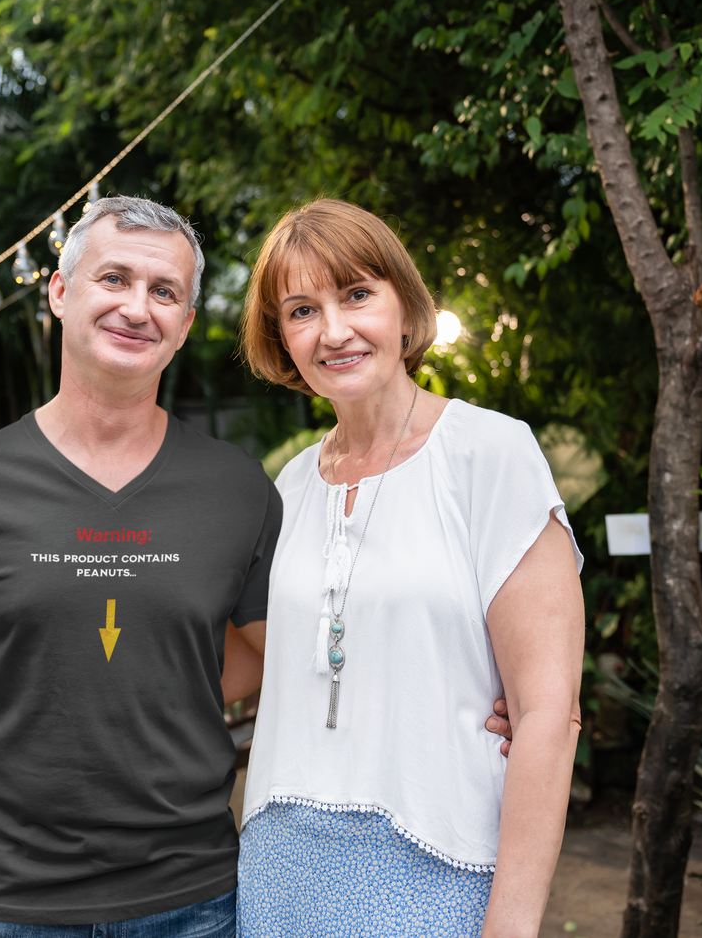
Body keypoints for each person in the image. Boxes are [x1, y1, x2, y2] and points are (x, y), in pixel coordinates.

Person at [0, 196, 517, 937]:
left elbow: (296, 652)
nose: (136, 307)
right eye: (112, 278)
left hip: (195, 903)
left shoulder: (240, 489)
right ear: (59, 291)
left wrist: (474, 689)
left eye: (164, 292)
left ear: (184, 325)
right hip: (6, 904)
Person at [234, 199, 584, 936]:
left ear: (402, 304)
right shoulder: (288, 487)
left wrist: (510, 928)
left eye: (356, 294)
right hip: (277, 868)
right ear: (282, 339)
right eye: (301, 310)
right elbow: (243, 663)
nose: (332, 330)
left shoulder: (489, 454)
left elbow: (547, 716)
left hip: (437, 861)